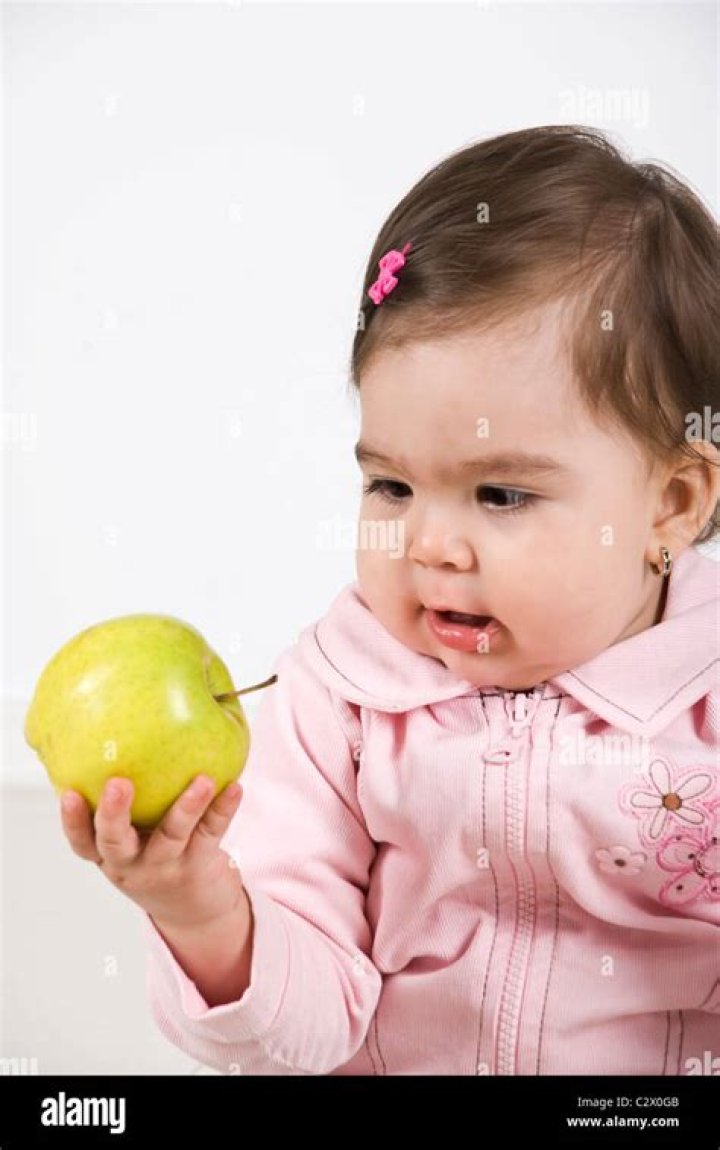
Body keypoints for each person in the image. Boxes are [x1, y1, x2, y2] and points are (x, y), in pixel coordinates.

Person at [61, 125, 720, 1076]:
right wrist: (204, 910)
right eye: (392, 486)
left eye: (501, 495)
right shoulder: (344, 706)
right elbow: (305, 1023)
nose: (429, 546)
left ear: (670, 504)